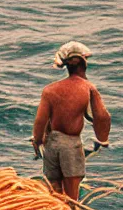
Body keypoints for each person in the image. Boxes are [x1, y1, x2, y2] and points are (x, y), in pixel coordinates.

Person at [31, 41, 111, 200]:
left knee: (54, 191)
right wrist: (103, 139)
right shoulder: (88, 88)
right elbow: (102, 118)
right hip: (70, 144)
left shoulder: (49, 90)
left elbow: (40, 122)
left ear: (66, 66)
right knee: (71, 195)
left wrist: (37, 141)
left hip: (51, 144)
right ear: (84, 63)